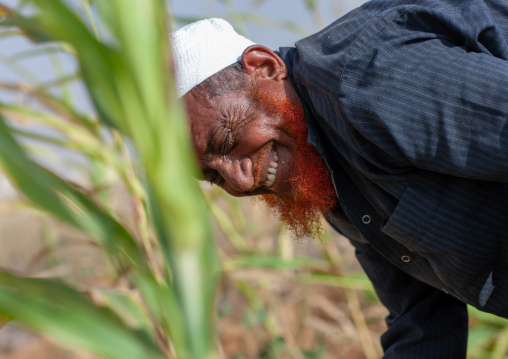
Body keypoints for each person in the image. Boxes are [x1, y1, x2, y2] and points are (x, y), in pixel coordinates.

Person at [171, 0, 508, 357]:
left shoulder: (369, 83)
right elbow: (423, 321)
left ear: (264, 67)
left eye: (226, 140)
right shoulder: (319, 165)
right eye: (211, 176)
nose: (238, 182)